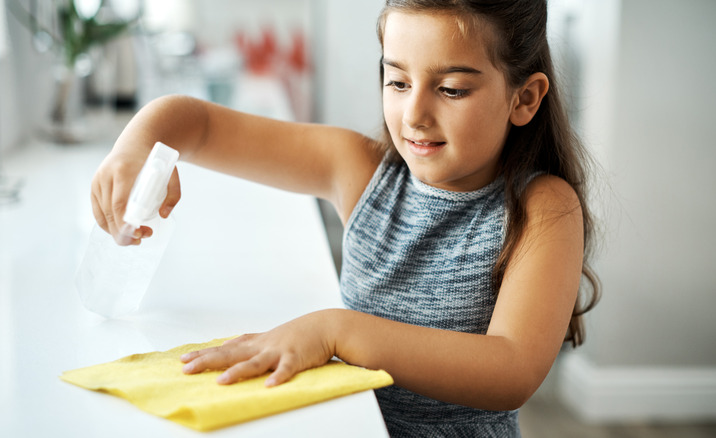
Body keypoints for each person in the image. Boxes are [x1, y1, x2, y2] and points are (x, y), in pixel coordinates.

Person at [90, 0, 600, 435]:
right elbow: (196, 125)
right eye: (397, 81)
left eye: (450, 89)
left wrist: (337, 331)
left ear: (524, 98)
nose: (414, 114)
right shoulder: (356, 170)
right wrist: (135, 149)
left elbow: (510, 370)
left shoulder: (544, 209)